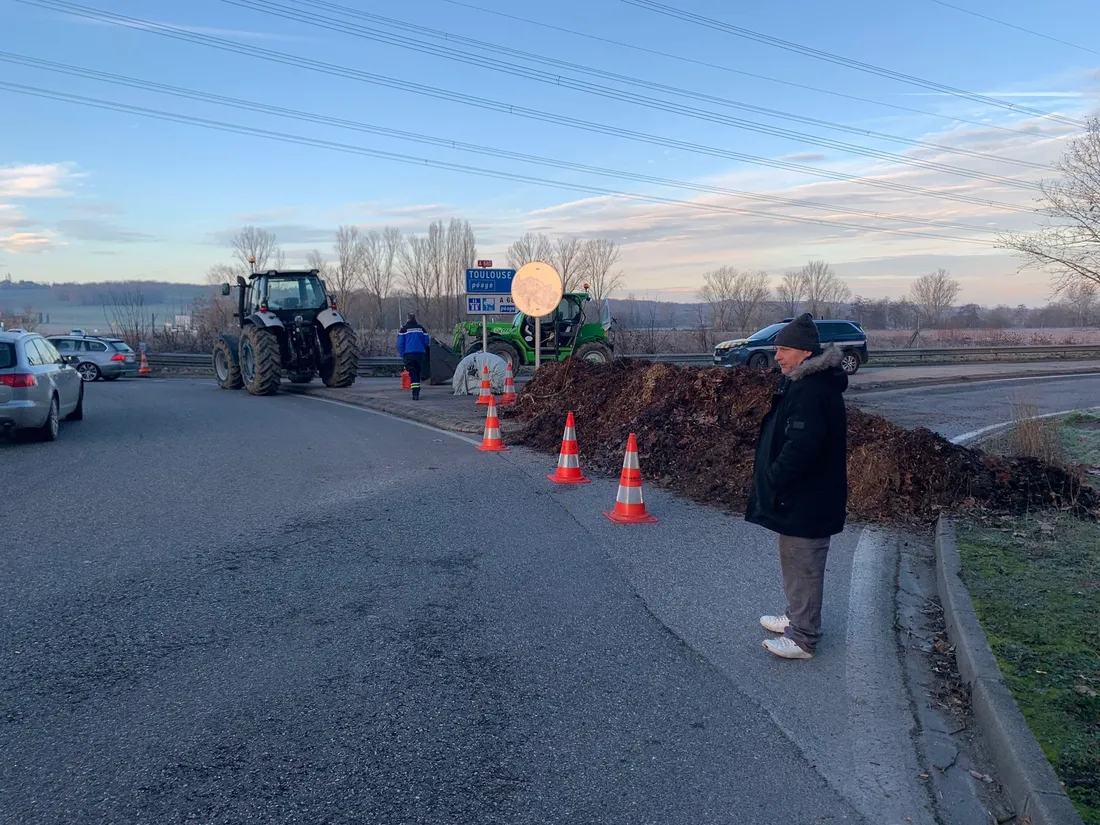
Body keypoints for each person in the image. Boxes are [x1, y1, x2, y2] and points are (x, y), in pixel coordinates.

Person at [745, 313, 848, 660]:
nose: (777, 356)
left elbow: (802, 446)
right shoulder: (801, 382)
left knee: (804, 563)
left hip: (809, 496)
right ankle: (795, 616)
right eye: (776, 348)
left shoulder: (812, 390)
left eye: (784, 349)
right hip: (801, 496)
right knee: (793, 557)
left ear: (805, 352)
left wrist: (774, 477)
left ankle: (803, 638)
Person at [396, 313, 430, 401]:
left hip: (409, 354)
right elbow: (427, 342)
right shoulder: (421, 329)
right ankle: (417, 391)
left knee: (413, 373)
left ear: (407, 319)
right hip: (420, 354)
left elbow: (400, 344)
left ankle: (415, 393)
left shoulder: (404, 329)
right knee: (417, 372)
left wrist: (403, 354)